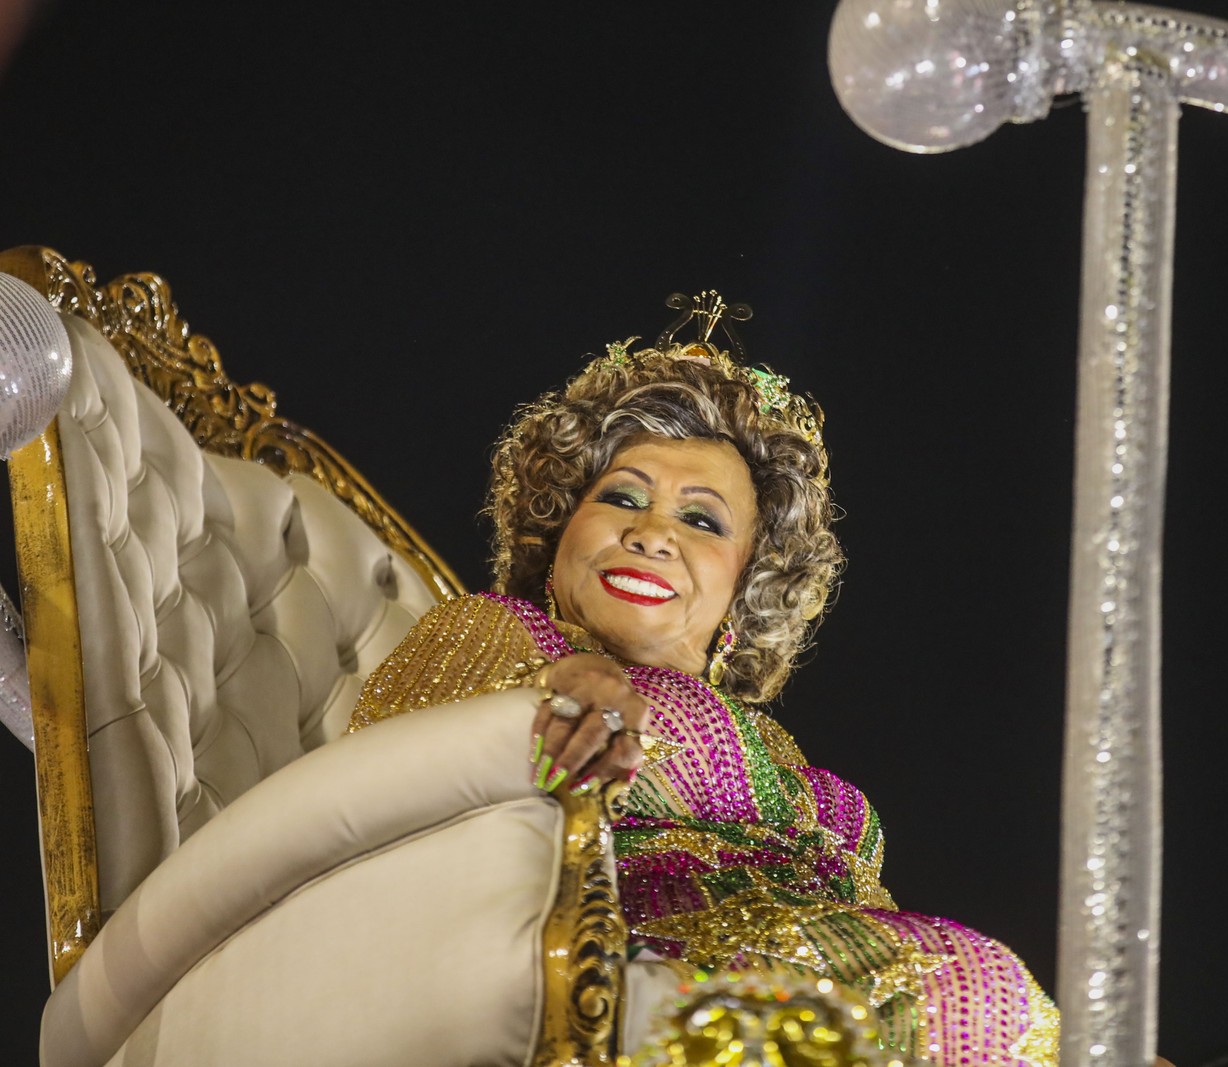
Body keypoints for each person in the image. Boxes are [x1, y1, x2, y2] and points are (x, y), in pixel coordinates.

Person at [348, 293, 1059, 1065]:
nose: (651, 531)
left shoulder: (772, 742)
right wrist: (576, 681)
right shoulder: (495, 628)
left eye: (703, 520)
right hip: (633, 970)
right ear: (558, 536)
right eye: (621, 497)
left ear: (745, 584)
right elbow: (403, 761)